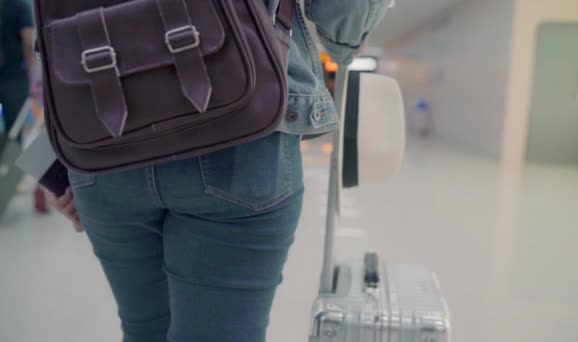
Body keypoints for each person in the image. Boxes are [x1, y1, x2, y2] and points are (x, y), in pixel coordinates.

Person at [46, 1, 391, 341]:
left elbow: (44, 27)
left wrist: (50, 166)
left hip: (100, 144)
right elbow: (344, 19)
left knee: (144, 330)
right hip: (237, 131)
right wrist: (347, 40)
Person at [0, 0, 34, 134]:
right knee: (14, 130)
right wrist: (32, 75)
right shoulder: (19, 6)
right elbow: (28, 43)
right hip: (15, 76)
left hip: (11, 75)